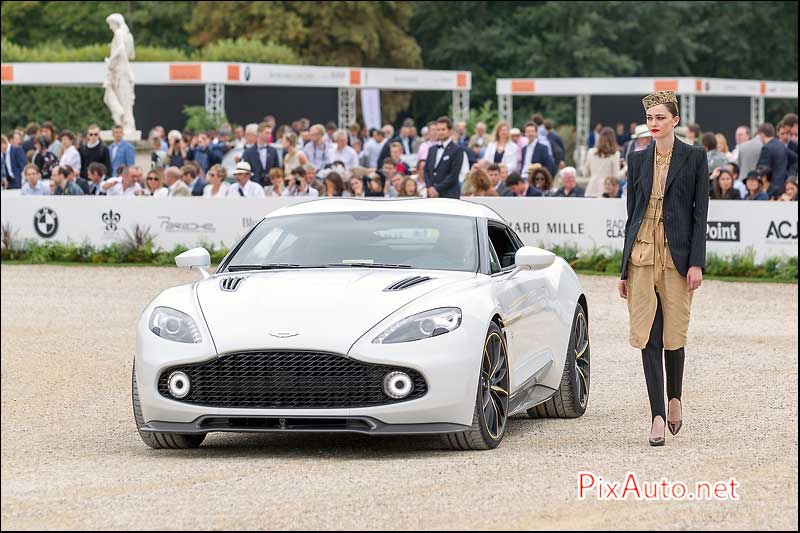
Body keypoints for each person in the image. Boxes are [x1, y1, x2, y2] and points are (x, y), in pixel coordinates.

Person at [618, 90, 708, 447]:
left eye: (659, 118)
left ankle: (675, 398)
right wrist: (623, 270)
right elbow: (631, 215)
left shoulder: (694, 157)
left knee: (674, 336)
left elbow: (700, 214)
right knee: (648, 337)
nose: (653, 124)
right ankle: (656, 414)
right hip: (641, 257)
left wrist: (696, 263)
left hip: (677, 259)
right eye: (649, 119)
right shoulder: (637, 160)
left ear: (675, 120)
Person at [423, 116, 465, 199]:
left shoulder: (457, 150)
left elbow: (453, 175)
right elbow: (426, 170)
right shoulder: (432, 149)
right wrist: (430, 187)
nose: (440, 132)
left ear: (450, 131)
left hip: (449, 196)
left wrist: (437, 189)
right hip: (431, 196)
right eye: (438, 130)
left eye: (443, 129)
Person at [583, 127, 621, 197]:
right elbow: (616, 176)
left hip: (591, 188)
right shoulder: (615, 154)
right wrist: (625, 169)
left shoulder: (591, 152)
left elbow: (585, 172)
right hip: (606, 189)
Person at [756, 123, 788, 191]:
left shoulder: (766, 148)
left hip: (771, 187)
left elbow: (763, 169)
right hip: (783, 184)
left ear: (762, 134)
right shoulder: (782, 145)